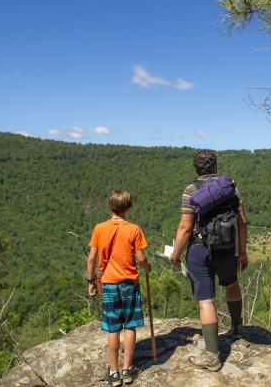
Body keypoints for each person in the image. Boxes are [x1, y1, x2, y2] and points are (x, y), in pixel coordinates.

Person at [170, 149, 248, 372]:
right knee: (231, 284)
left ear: (197, 168)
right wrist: (242, 251)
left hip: (198, 249)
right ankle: (237, 329)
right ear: (215, 166)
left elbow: (186, 227)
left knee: (206, 301)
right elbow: (242, 222)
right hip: (227, 249)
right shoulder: (231, 188)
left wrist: (175, 255)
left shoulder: (191, 190)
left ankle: (213, 355)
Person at [86, 190, 151, 386]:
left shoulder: (99, 228)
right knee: (130, 325)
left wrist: (91, 282)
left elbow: (91, 259)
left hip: (108, 283)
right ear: (128, 207)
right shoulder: (134, 229)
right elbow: (141, 258)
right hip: (129, 283)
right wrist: (147, 268)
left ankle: (113, 372)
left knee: (113, 328)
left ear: (110, 206)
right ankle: (127, 370)